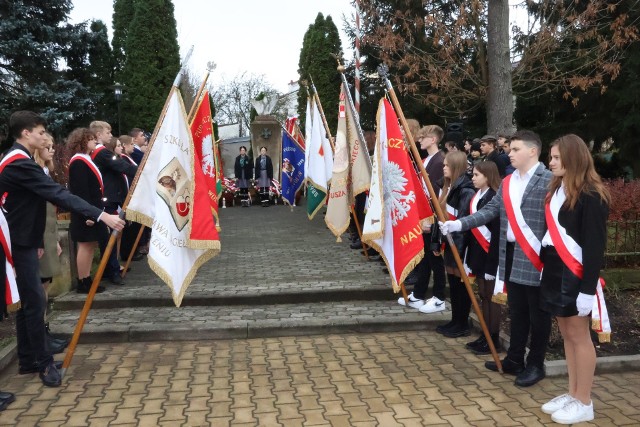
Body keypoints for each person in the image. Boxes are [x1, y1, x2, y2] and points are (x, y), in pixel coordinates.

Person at [0, 111, 124, 387]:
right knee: (33, 302)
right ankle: (43, 365)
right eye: (41, 132)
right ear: (25, 134)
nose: (45, 137)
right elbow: (58, 194)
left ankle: (28, 359)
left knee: (30, 302)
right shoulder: (19, 162)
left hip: (23, 238)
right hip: (16, 242)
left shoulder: (17, 159)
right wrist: (103, 215)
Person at [440, 130, 552, 388]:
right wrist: (459, 225)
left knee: (538, 313)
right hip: (510, 253)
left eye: (515, 150)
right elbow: (490, 210)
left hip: (536, 256)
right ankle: (514, 358)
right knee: (517, 310)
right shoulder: (510, 181)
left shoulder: (548, 180)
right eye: (509, 149)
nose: (509, 154)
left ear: (533, 151)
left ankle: (535, 364)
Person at [539, 134, 609, 424]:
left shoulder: (592, 194)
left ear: (573, 158)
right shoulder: (557, 189)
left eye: (556, 157)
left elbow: (594, 247)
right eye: (552, 157)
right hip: (555, 268)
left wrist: (586, 289)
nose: (551, 162)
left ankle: (584, 401)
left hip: (575, 272)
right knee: (567, 334)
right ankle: (572, 393)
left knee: (580, 336)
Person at [399, 125, 447, 313]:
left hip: (433, 217)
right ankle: (419, 295)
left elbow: (437, 193)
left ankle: (439, 297)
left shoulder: (440, 161)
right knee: (425, 258)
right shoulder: (426, 160)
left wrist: (431, 218)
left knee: (435, 258)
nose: (419, 140)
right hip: (424, 215)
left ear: (433, 139)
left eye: (423, 137)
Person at [33, 133, 69, 354]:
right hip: (39, 237)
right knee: (39, 289)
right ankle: (40, 337)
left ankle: (45, 332)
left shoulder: (45, 172)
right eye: (48, 148)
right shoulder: (35, 173)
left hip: (47, 234)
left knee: (44, 286)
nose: (53, 150)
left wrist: (54, 238)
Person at [433, 151, 475, 337]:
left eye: (447, 165)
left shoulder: (465, 190)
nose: (443, 168)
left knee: (460, 285)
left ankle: (462, 323)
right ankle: (455, 320)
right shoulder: (446, 187)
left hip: (460, 245)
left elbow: (463, 220)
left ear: (456, 167)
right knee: (453, 284)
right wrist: (437, 241)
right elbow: (440, 218)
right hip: (448, 243)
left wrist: (456, 248)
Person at [90, 121, 137, 285]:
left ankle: (112, 267)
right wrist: (142, 170)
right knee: (110, 236)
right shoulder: (101, 153)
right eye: (108, 132)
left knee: (112, 235)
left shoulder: (101, 152)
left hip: (112, 198)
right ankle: (112, 270)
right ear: (98, 135)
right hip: (109, 199)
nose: (110, 135)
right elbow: (120, 165)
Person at [463, 161, 502, 354]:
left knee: (492, 298)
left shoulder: (494, 196)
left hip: (490, 255)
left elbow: (495, 232)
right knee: (484, 296)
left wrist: (492, 262)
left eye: (477, 175)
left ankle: (493, 338)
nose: (473, 178)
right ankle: (484, 335)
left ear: (488, 176)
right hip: (477, 253)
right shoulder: (478, 195)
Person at [67, 128, 109, 295]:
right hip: (86, 213)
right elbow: (81, 191)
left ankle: (87, 278)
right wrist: (88, 214)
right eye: (91, 139)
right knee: (85, 245)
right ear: (82, 141)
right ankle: (83, 281)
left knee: (90, 245)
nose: (94, 141)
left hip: (93, 210)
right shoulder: (78, 161)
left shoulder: (86, 159)